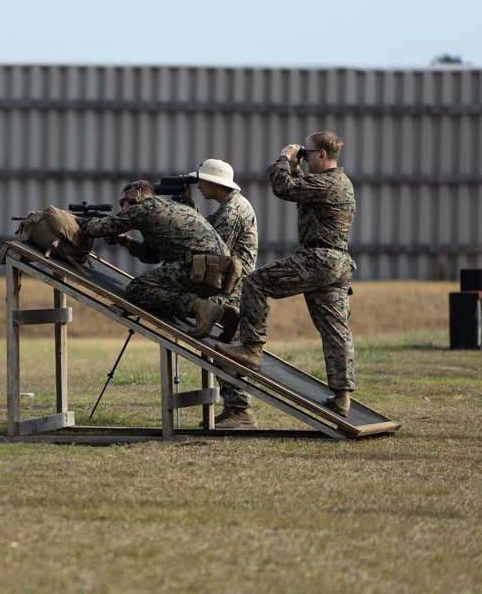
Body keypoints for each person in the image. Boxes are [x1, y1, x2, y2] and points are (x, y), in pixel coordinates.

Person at [217, 131, 357, 417]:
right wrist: (295, 166)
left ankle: (252, 349)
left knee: (254, 282)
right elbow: (301, 187)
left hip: (318, 259)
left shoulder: (328, 184)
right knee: (334, 329)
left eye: (307, 154)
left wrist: (283, 158)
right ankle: (342, 396)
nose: (304, 159)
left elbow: (284, 189)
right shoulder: (338, 183)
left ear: (322, 155)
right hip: (336, 264)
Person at [74, 179, 232, 338]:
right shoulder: (169, 207)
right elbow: (153, 255)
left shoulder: (144, 208)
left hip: (200, 267)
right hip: (220, 271)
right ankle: (225, 314)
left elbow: (101, 227)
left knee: (137, 289)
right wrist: (124, 240)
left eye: (123, 202)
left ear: (135, 195)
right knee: (173, 291)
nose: (122, 208)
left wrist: (72, 219)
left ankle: (201, 308)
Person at [181, 159, 259, 429]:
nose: (199, 185)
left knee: (226, 348)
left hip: (232, 290)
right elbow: (207, 231)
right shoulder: (232, 205)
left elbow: (211, 245)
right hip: (231, 286)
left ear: (216, 183)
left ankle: (240, 410)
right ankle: (237, 408)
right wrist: (189, 206)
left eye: (201, 181)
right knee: (225, 346)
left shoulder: (232, 211)